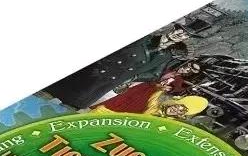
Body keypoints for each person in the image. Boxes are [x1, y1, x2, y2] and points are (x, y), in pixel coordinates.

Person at [43, 23, 191, 109]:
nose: (179, 35)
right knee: (51, 93)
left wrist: (134, 76)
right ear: (172, 29)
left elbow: (155, 73)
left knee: (69, 104)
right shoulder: (145, 38)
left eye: (183, 35)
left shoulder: (165, 55)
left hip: (111, 80)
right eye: (179, 31)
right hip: (94, 69)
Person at [92, 71, 187, 113]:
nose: (165, 83)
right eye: (166, 80)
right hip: (108, 103)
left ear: (169, 89)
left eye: (169, 84)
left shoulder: (158, 95)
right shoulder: (148, 81)